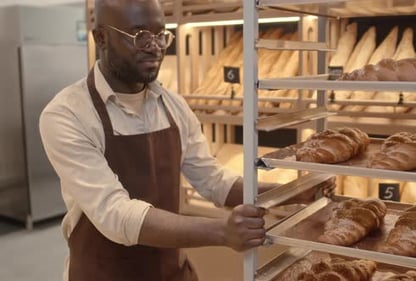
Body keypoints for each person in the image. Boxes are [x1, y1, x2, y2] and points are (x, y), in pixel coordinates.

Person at [39, 0, 332, 280]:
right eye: (139, 35)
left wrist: (291, 192)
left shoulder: (172, 105)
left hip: (170, 273)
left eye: (160, 35)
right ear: (101, 38)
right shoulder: (67, 115)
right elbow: (115, 215)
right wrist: (221, 232)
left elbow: (214, 182)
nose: (154, 47)